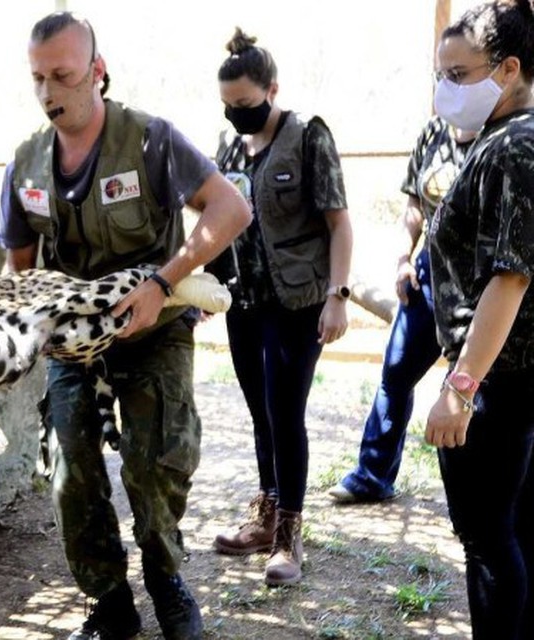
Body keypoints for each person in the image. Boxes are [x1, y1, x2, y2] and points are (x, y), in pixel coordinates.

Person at [0, 12, 251, 640]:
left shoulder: (149, 140)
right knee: (71, 476)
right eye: (38, 80)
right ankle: (109, 601)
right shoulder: (26, 163)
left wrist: (163, 282)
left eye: (63, 76)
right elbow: (16, 267)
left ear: (97, 73)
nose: (50, 93)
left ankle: (166, 579)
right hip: (74, 343)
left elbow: (231, 208)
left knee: (153, 463)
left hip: (153, 329)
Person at [206, 28, 353, 587]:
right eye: (227, 106)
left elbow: (339, 224)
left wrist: (337, 298)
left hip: (299, 302)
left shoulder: (307, 136)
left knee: (285, 412)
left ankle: (290, 531)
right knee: (259, 411)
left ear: (271, 88)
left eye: (244, 104)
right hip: (245, 302)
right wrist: (206, 289)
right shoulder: (228, 147)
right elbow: (220, 225)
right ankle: (267, 513)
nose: (235, 114)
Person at [425, 2, 534, 637]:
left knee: (488, 539)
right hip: (513, 372)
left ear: (510, 69)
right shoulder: (501, 140)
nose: (447, 90)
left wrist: (460, 389)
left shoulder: (514, 147)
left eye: (459, 75)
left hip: (500, 377)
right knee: (515, 529)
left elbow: (511, 277)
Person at [329, 117, 474, 504]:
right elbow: (413, 204)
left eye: (458, 74)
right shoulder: (435, 132)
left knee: (482, 388)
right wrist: (403, 258)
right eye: (445, 75)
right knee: (395, 374)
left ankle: (482, 497)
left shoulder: (505, 134)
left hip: (483, 285)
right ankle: (372, 475)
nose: (450, 85)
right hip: (427, 276)